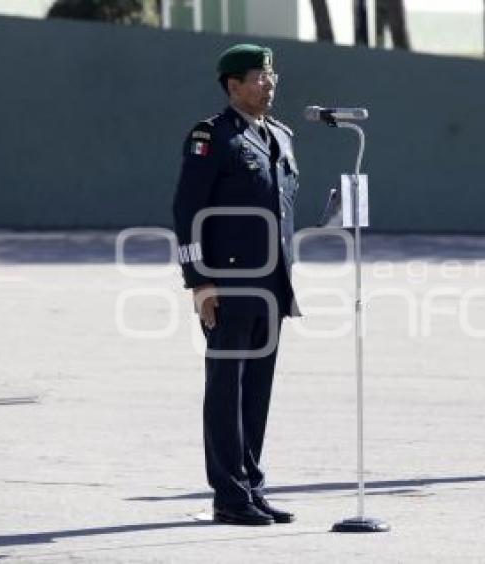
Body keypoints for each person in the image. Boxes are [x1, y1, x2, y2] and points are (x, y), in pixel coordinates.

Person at [172, 44, 300, 525]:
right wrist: (199, 281)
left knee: (257, 390)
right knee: (227, 390)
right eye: (258, 78)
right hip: (227, 284)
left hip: (272, 285)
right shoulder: (212, 137)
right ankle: (228, 495)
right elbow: (188, 213)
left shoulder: (281, 137)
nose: (269, 84)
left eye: (271, 76)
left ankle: (251, 484)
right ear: (233, 86)